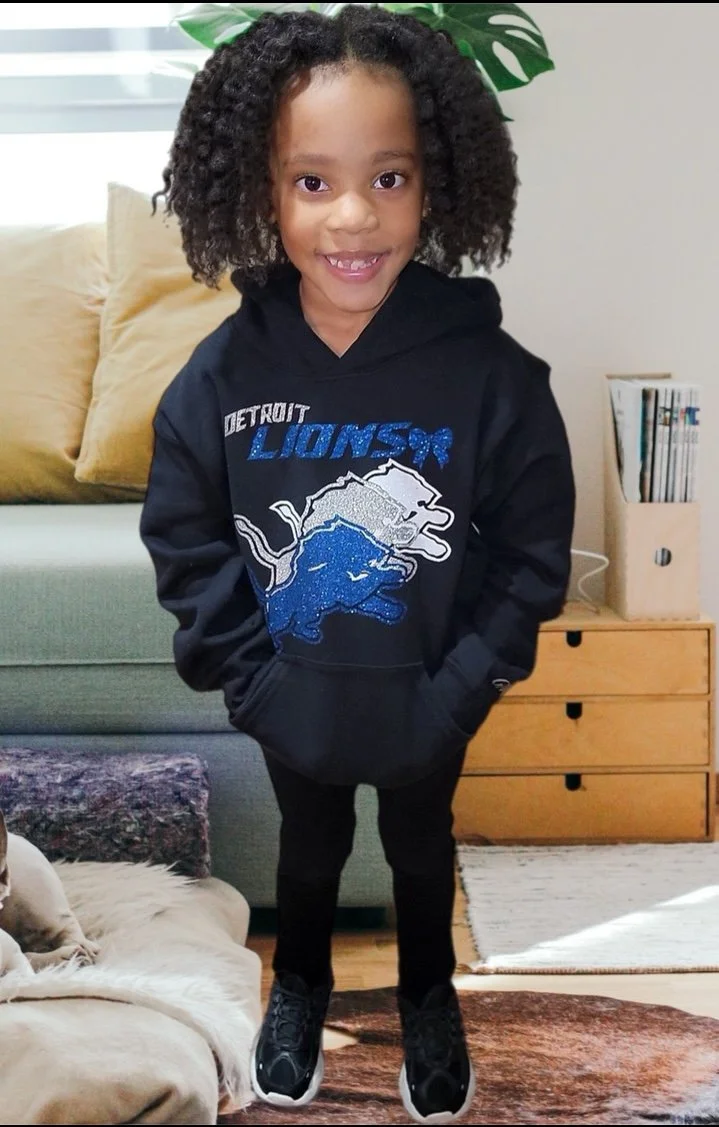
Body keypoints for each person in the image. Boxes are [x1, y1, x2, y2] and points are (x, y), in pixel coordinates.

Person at [140, 5, 576, 1122]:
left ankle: (430, 994)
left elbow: (531, 544)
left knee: (420, 847)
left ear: (433, 187)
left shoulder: (487, 372)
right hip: (299, 692)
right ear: (262, 190)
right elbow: (185, 536)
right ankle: (300, 985)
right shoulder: (224, 373)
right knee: (311, 845)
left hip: (428, 691)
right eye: (312, 181)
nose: (351, 216)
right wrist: (256, 679)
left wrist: (463, 680)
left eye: (387, 178)